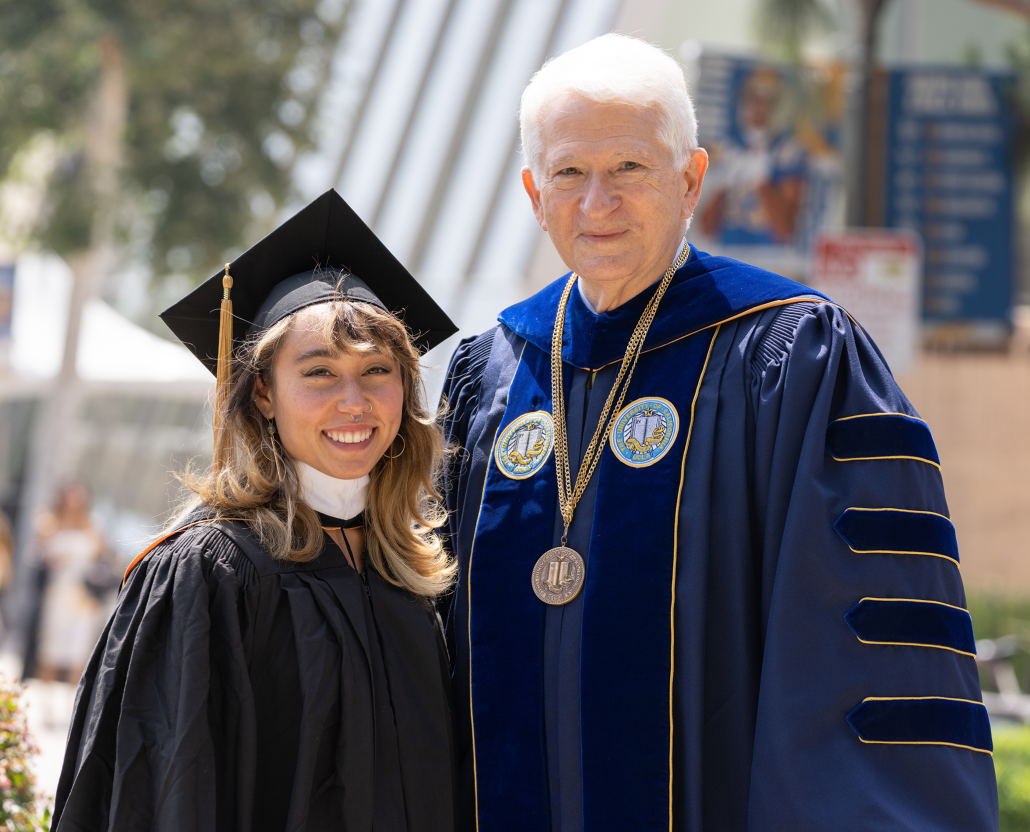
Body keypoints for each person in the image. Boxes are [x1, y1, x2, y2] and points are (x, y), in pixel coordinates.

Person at [441, 34, 997, 831]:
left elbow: (859, 657)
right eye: (569, 173)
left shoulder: (790, 356)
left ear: (691, 179)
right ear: (534, 192)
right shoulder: (488, 374)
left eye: (629, 168)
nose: (597, 203)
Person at [53, 190, 460, 831]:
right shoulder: (207, 574)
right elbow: (162, 794)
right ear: (264, 393)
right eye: (320, 372)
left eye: (377, 371)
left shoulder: (412, 572)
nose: (354, 403)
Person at [33, 482, 107, 685]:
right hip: (57, 591)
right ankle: (44, 699)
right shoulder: (49, 521)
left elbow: (102, 557)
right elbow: (38, 554)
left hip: (83, 595)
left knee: (78, 649)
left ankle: (71, 706)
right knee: (50, 647)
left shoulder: (93, 525)